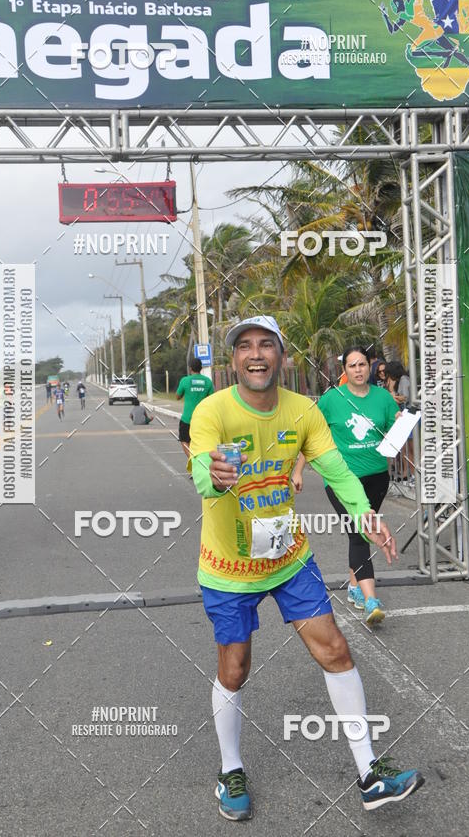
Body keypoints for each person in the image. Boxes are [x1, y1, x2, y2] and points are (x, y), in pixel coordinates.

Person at [189, 315, 423, 822]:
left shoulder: (303, 410)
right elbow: (202, 472)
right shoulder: (213, 410)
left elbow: (335, 468)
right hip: (229, 567)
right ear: (234, 359)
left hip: (290, 559)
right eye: (245, 346)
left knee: (335, 649)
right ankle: (231, 769)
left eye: (265, 345)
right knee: (234, 670)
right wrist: (215, 474)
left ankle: (370, 775)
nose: (256, 354)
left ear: (281, 355)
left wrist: (365, 514)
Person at [294, 346, 400, 624]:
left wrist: (400, 424)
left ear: (369, 366)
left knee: (364, 531)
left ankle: (354, 586)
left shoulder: (383, 398)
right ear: (344, 370)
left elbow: (394, 435)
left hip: (378, 477)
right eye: (352, 365)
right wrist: (298, 470)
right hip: (341, 480)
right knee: (358, 533)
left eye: (362, 364)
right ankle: (371, 599)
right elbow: (311, 436)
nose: (358, 370)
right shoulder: (332, 399)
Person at [176, 357, 214, 459]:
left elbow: (177, 396)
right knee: (202, 443)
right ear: (201, 368)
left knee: (184, 440)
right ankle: (200, 462)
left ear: (190, 368)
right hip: (203, 419)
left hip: (187, 419)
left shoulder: (185, 380)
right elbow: (212, 399)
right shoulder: (208, 381)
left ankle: (193, 461)